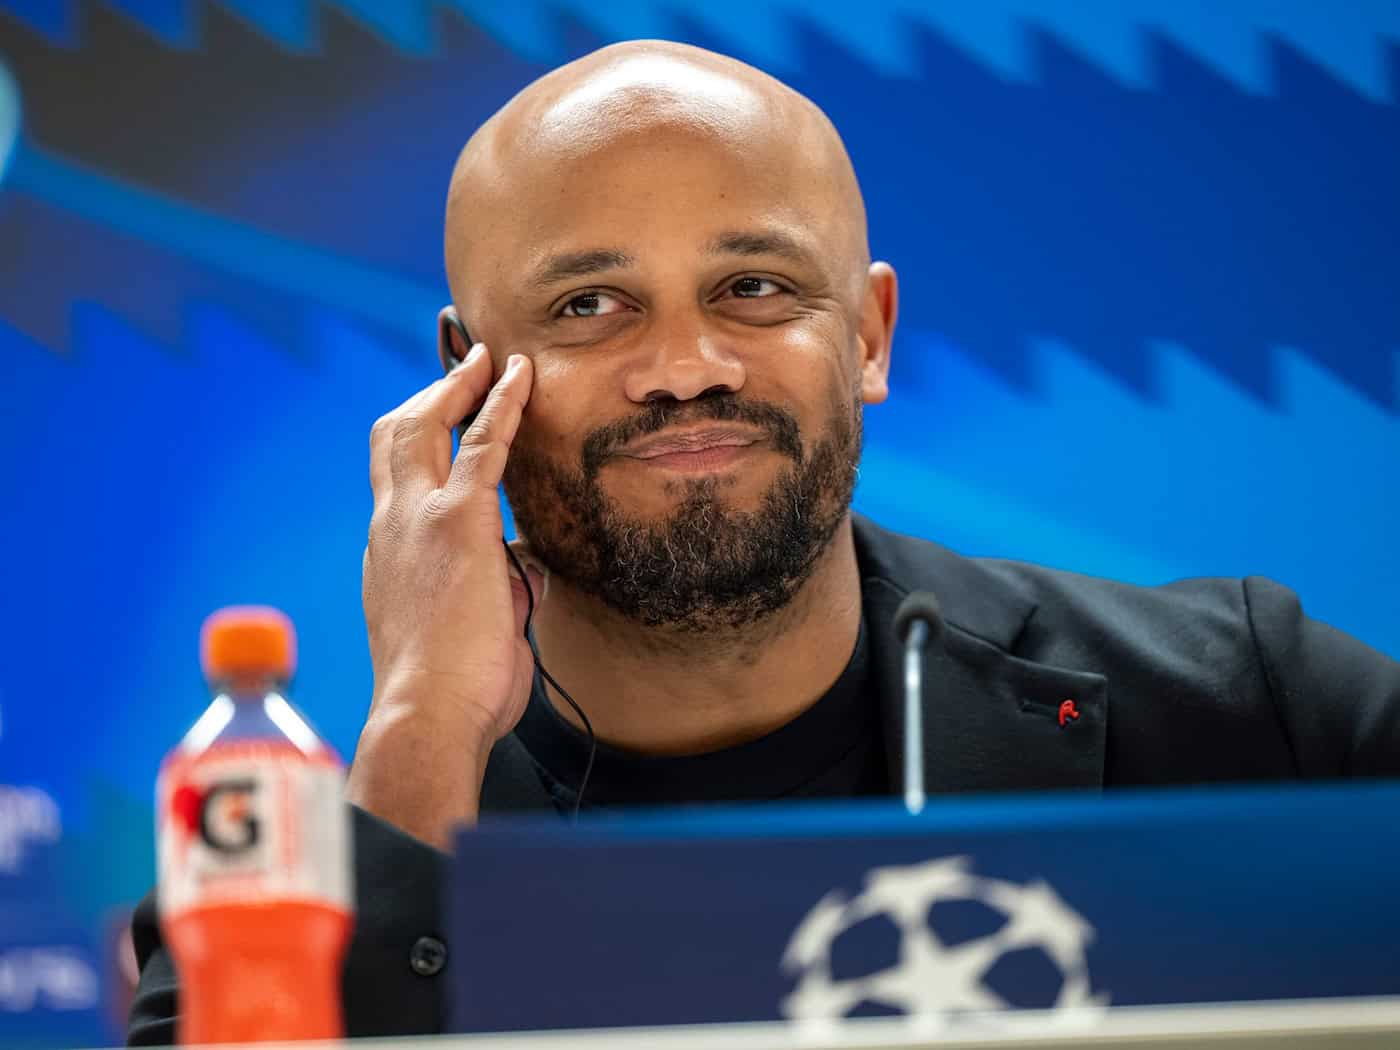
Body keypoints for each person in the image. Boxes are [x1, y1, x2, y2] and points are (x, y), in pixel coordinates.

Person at [127, 40, 1400, 1043]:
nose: (683, 368)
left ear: (867, 336)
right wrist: (419, 724)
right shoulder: (272, 876)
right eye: (588, 305)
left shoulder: (1250, 704)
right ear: (465, 375)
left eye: (754, 287)